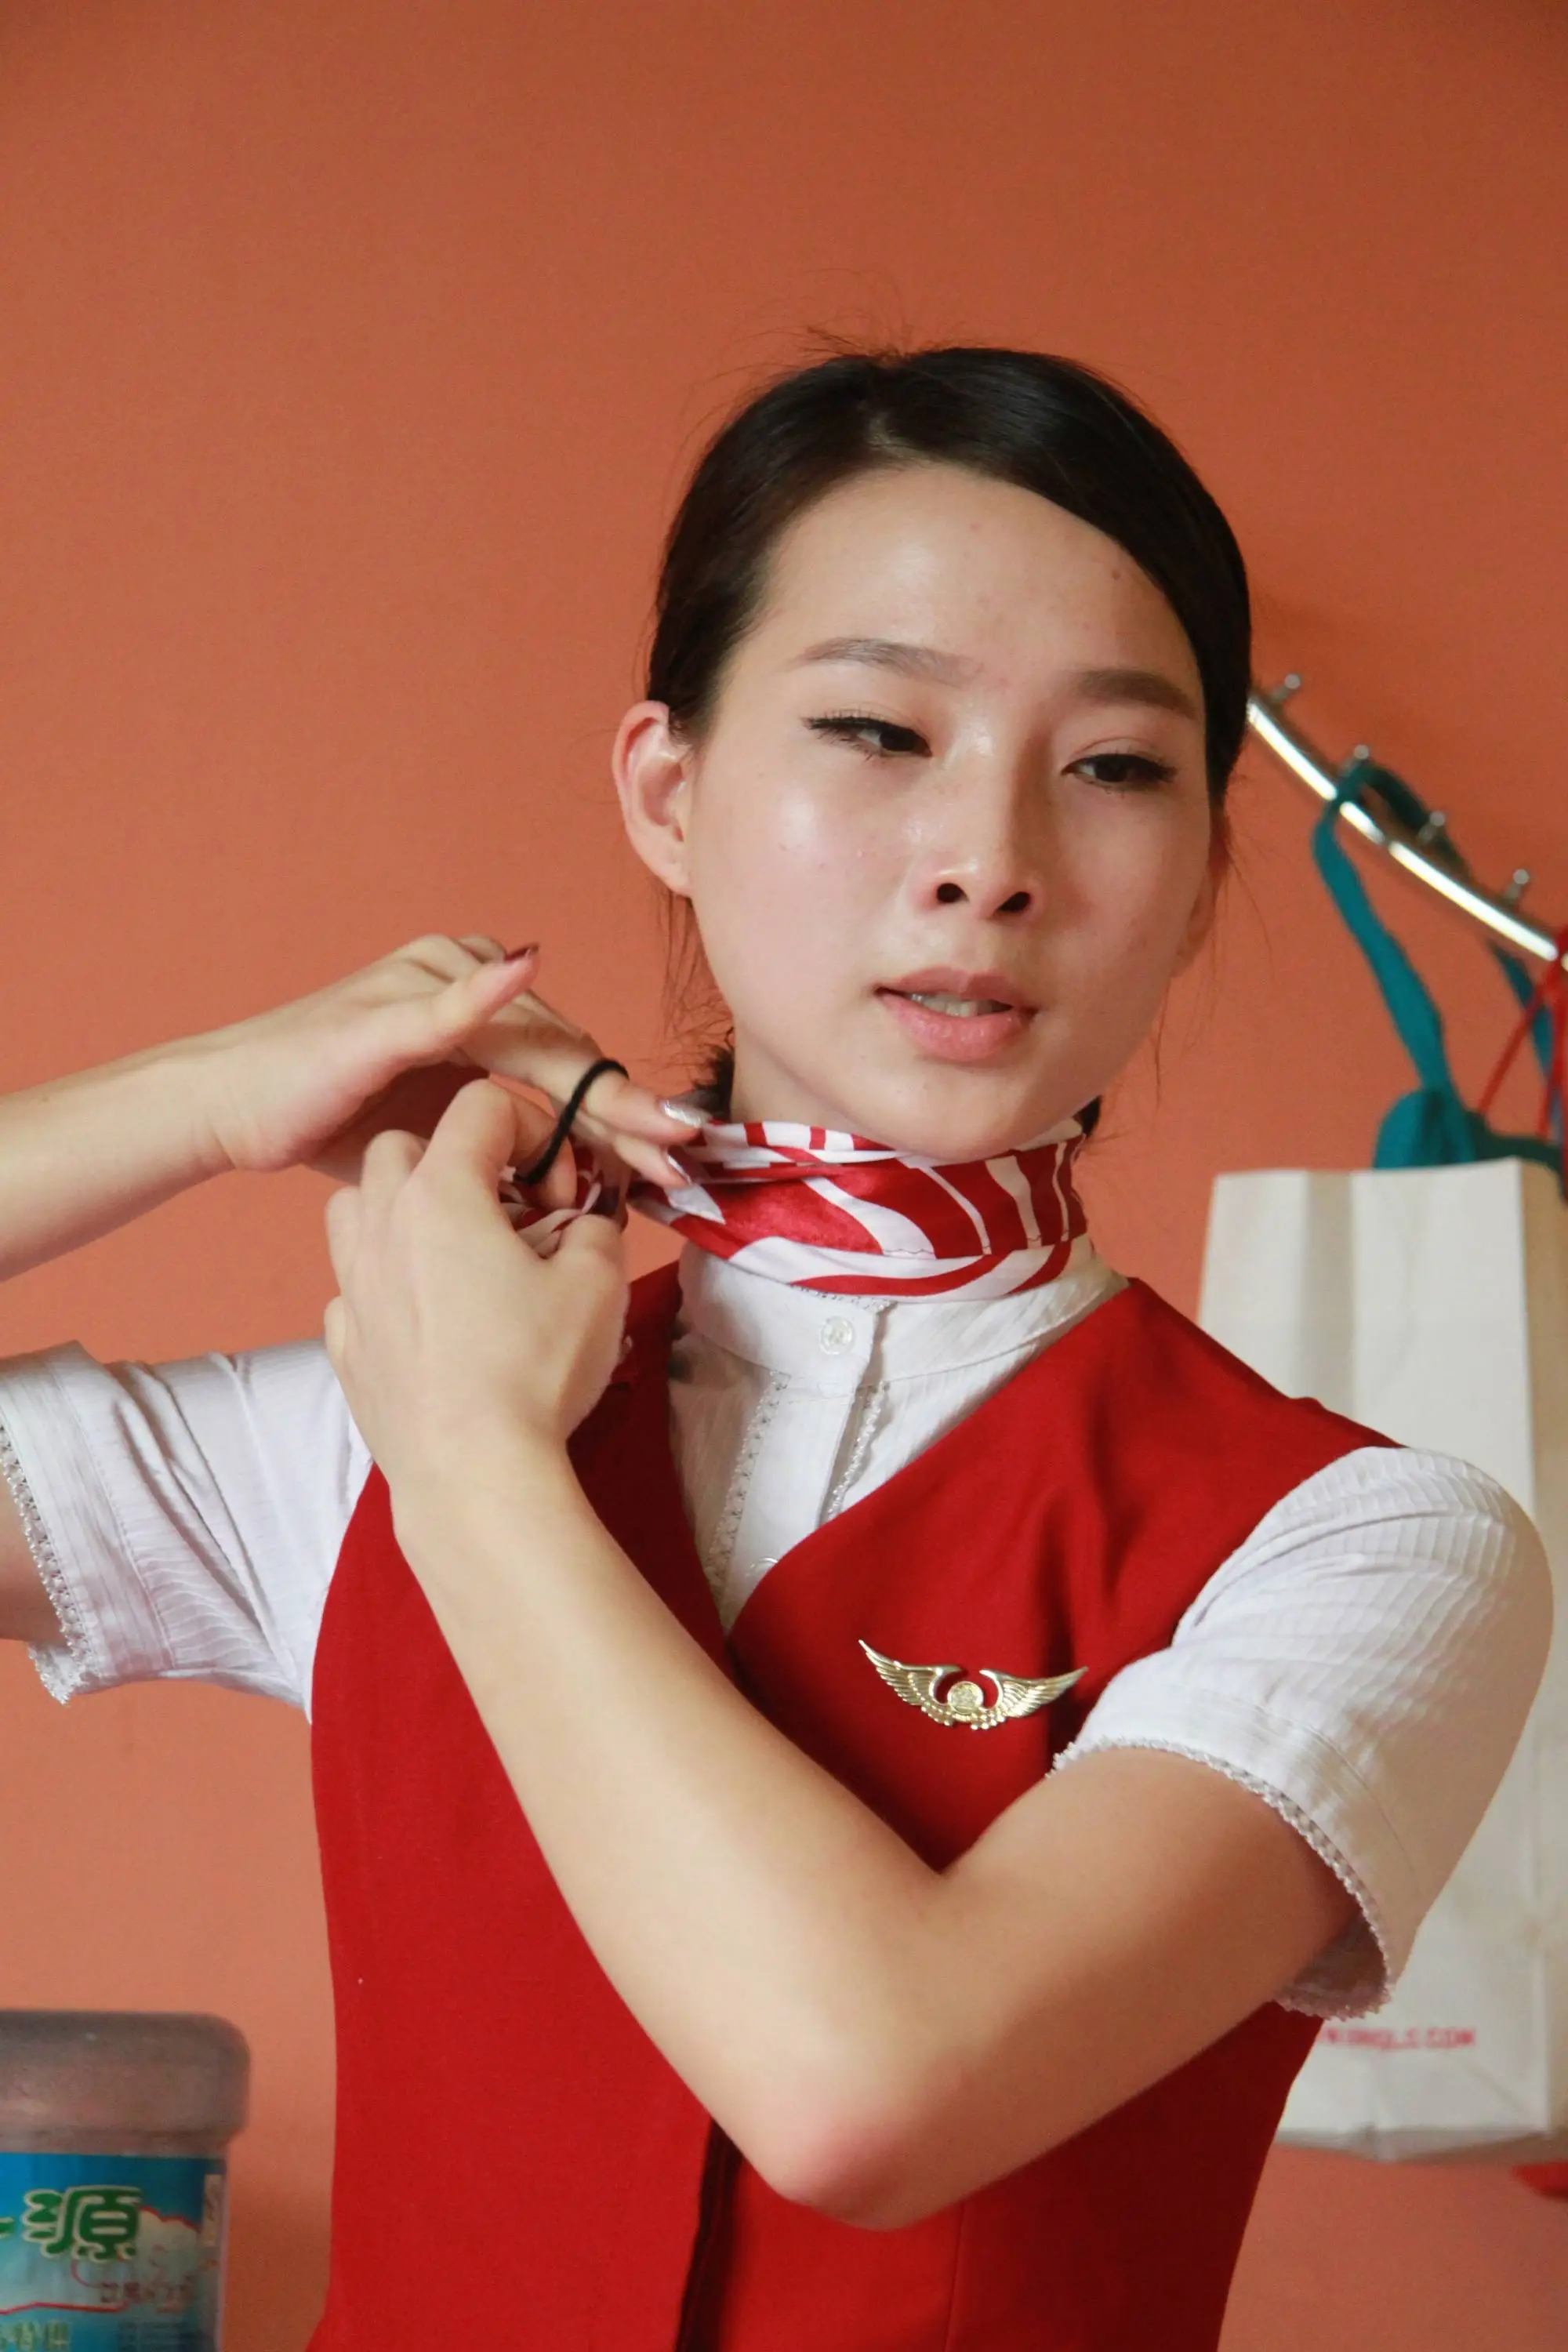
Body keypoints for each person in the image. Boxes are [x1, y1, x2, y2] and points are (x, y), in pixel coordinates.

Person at [0, 346, 1552, 2352]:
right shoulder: (371, 1421)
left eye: (1113, 767)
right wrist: (207, 1096)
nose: (988, 856)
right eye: (876, 730)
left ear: (1195, 875)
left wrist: (471, 1465)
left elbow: (869, 2089)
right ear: (670, 791)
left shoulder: (1367, 1548)